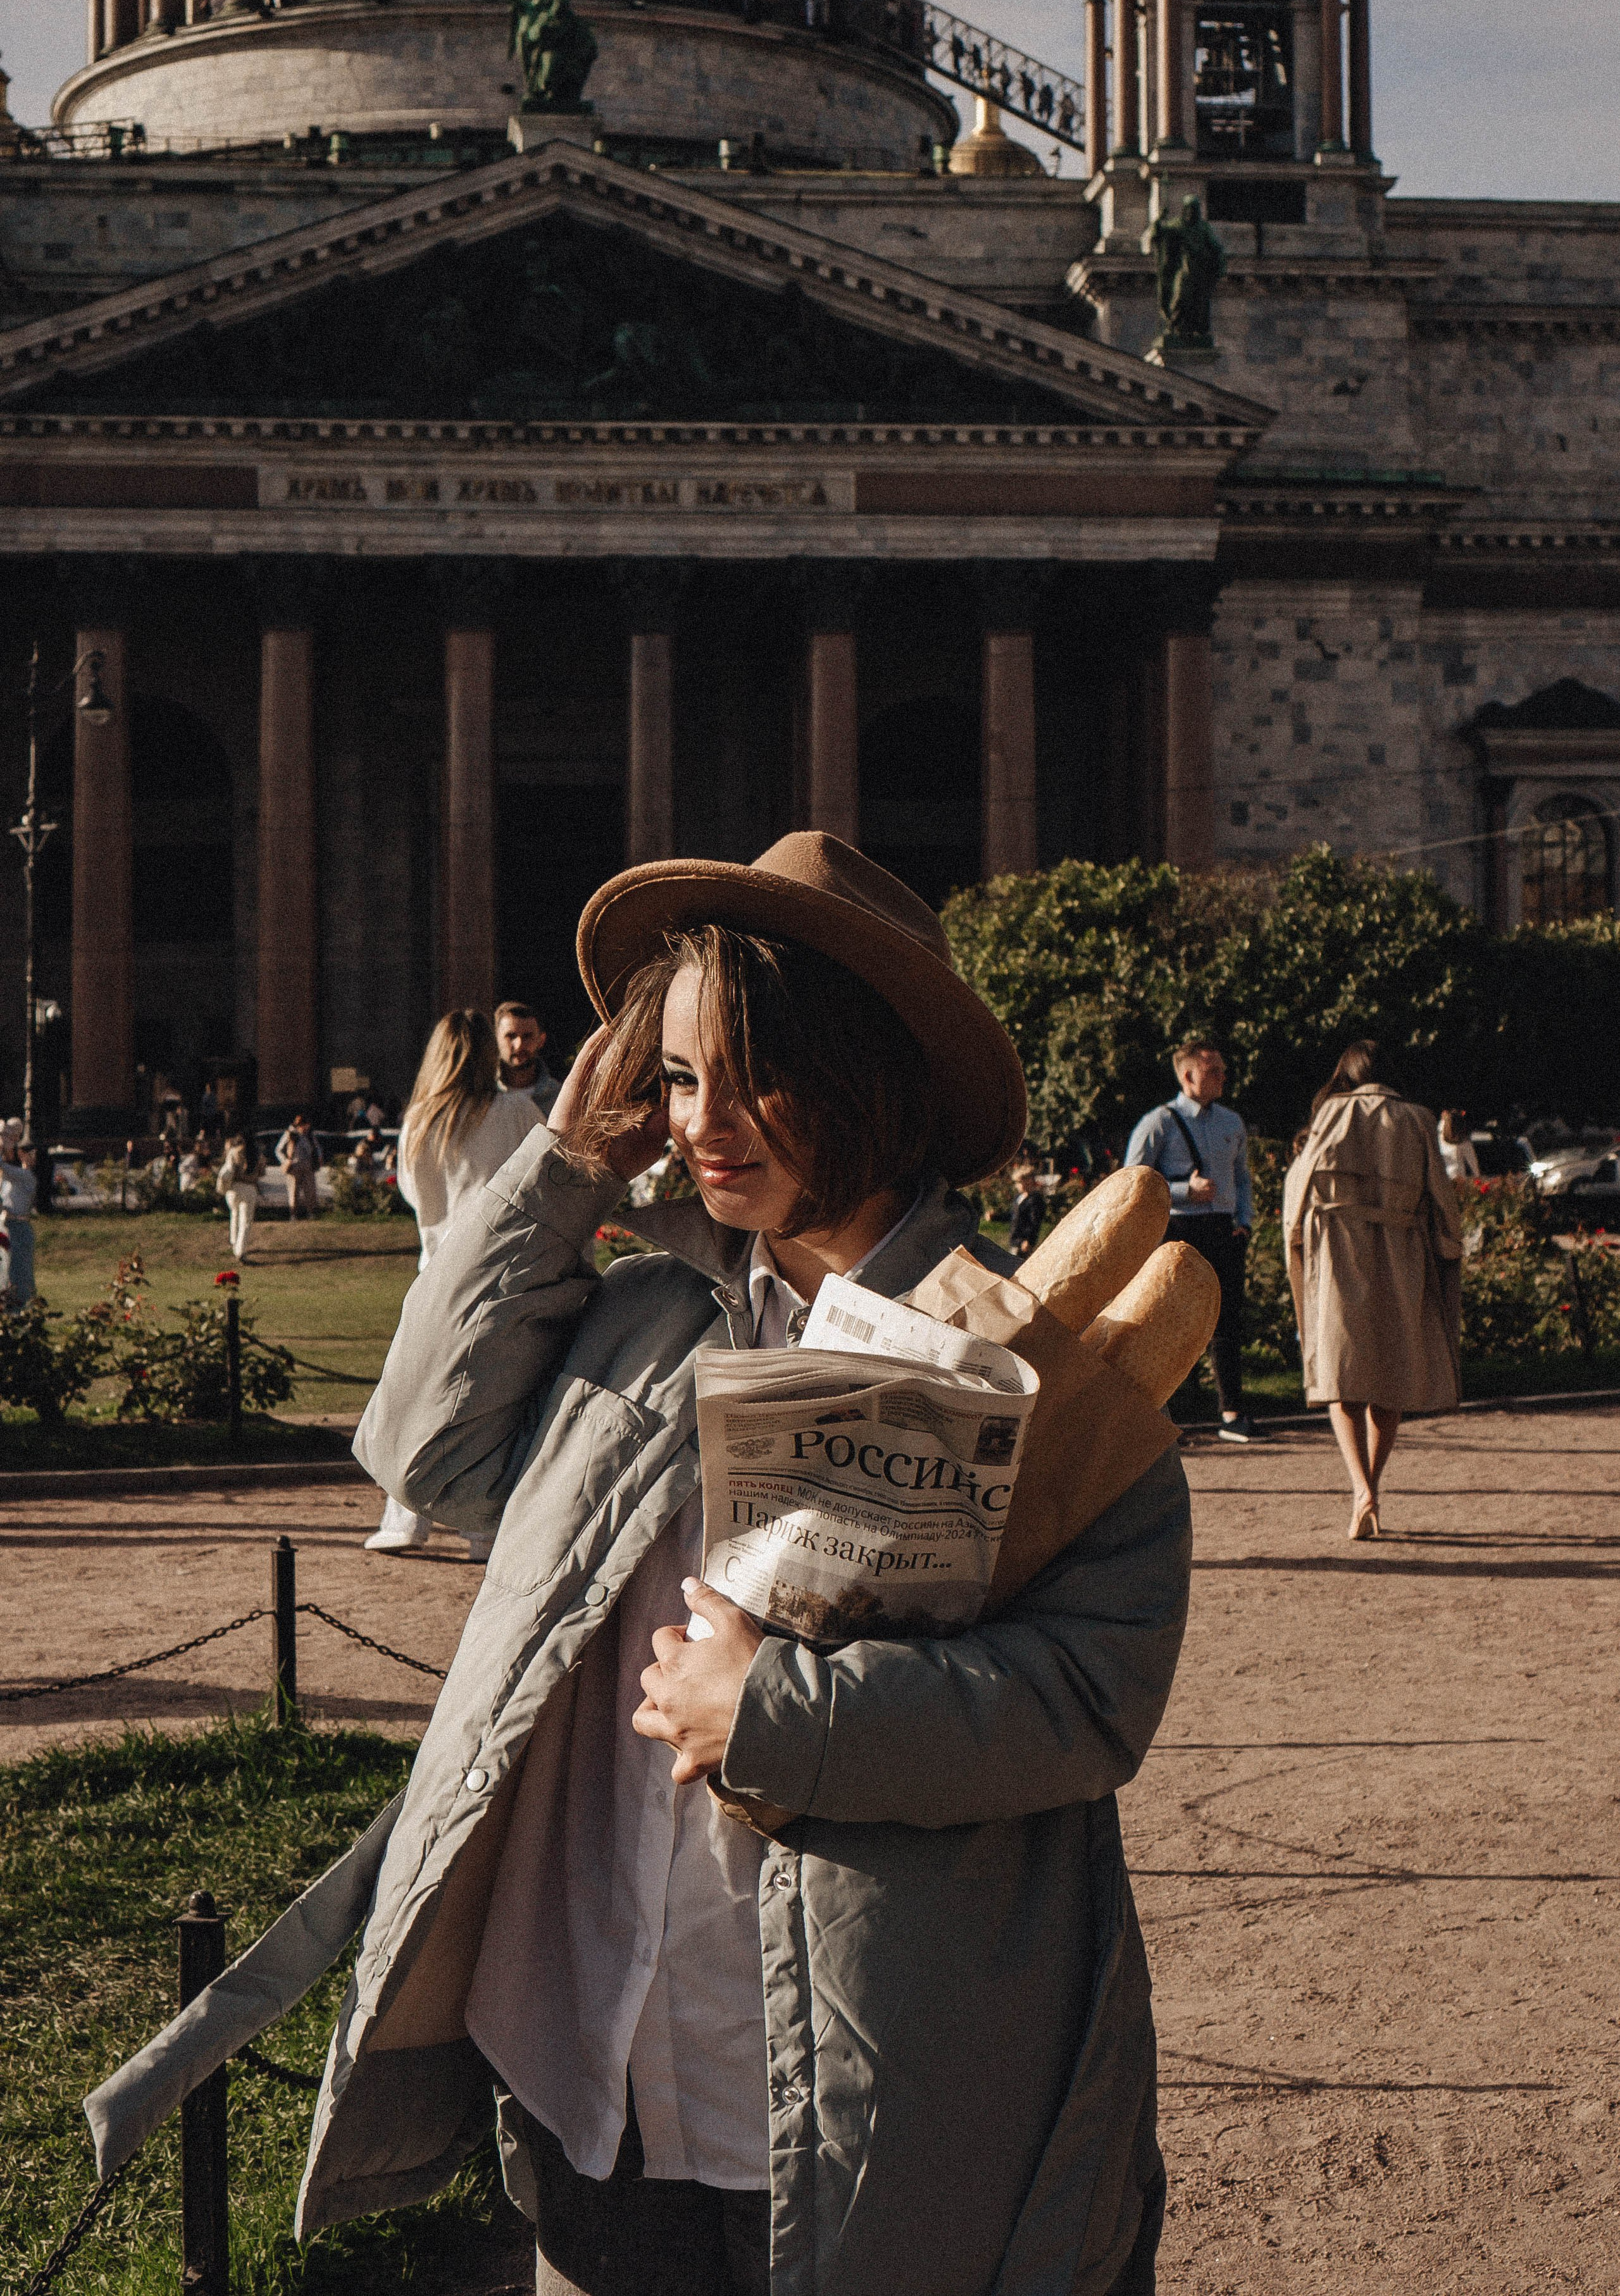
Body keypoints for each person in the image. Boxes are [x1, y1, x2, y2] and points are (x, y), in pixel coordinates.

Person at [257, 832, 1192, 2293]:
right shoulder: (642, 1316)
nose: (705, 1120)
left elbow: (1088, 1692)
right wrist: (559, 1168)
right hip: (595, 2069)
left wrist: (776, 1717)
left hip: (852, 2099)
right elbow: (426, 1454)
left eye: (752, 1073)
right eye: (681, 1075)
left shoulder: (1020, 1354)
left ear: (868, 1071)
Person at [366, 1008, 545, 1559]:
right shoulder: (514, 1110)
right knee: (494, 1404)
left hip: (434, 1276)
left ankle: (406, 1520)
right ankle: (482, 1529)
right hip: (497, 1273)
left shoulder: (419, 1120)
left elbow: (417, 1199)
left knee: (416, 1400)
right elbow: (545, 1177)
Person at [1284, 1039, 1463, 1542]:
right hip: (1400, 1253)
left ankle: (1359, 1486)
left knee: (1342, 1376)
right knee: (1390, 1373)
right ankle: (1374, 1487)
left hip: (1338, 1255)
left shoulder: (1329, 1116)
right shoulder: (1417, 1119)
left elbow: (1296, 1193)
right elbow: (1442, 1197)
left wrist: (1297, 1243)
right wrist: (1449, 1249)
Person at [1125, 1041, 1256, 1443]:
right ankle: (1165, 1415)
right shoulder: (1159, 1122)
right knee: (1168, 1319)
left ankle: (1231, 1414)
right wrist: (1184, 1191)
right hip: (1178, 1229)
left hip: (1222, 1229)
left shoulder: (1232, 1122)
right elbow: (1133, 1181)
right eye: (1213, 1070)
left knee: (1226, 1319)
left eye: (1221, 1069)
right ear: (1188, 1076)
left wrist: (1244, 1221)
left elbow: (1243, 1178)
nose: (1222, 1077)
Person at [495, 998, 559, 1115]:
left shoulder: (559, 1099)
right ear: (496, 1039)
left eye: (527, 1036)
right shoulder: (482, 1096)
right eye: (511, 1036)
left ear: (541, 1040)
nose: (519, 1045)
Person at [217, 1127, 264, 1262]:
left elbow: (228, 1170)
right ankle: (240, 1250)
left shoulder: (233, 1152)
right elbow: (262, 1172)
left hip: (234, 1187)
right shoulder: (258, 1155)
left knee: (234, 1214)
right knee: (246, 1222)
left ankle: (233, 1240)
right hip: (250, 1188)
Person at [1, 1141, 37, 1304]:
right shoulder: (14, 1179)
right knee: (11, 1270)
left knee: (20, 1271)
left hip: (19, 1228)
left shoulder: (25, 1176)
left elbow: (4, 1168)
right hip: (10, 1226)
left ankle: (24, 1307)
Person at [276, 1112, 321, 1219]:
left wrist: (318, 1158)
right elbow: (278, 1150)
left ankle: (311, 1213)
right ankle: (293, 1215)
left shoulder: (310, 1135)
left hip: (308, 1166)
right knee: (293, 1192)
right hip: (293, 1167)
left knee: (310, 1191)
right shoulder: (290, 1135)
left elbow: (317, 1148)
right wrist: (286, 1161)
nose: (305, 1128)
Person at [1006, 1155, 1046, 1257]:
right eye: (1017, 1182)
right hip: (1015, 1240)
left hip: (1024, 1243)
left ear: (1029, 1181)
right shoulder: (1019, 1198)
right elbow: (1013, 1215)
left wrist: (1028, 1240)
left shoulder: (1035, 1200)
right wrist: (996, 1216)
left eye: (1020, 1182)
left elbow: (1034, 1223)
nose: (1018, 1185)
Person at [1439, 1108, 1481, 1182]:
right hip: (1459, 1176)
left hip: (1442, 1175)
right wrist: (1477, 1176)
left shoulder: (1440, 1133)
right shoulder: (1463, 1140)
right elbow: (1471, 1159)